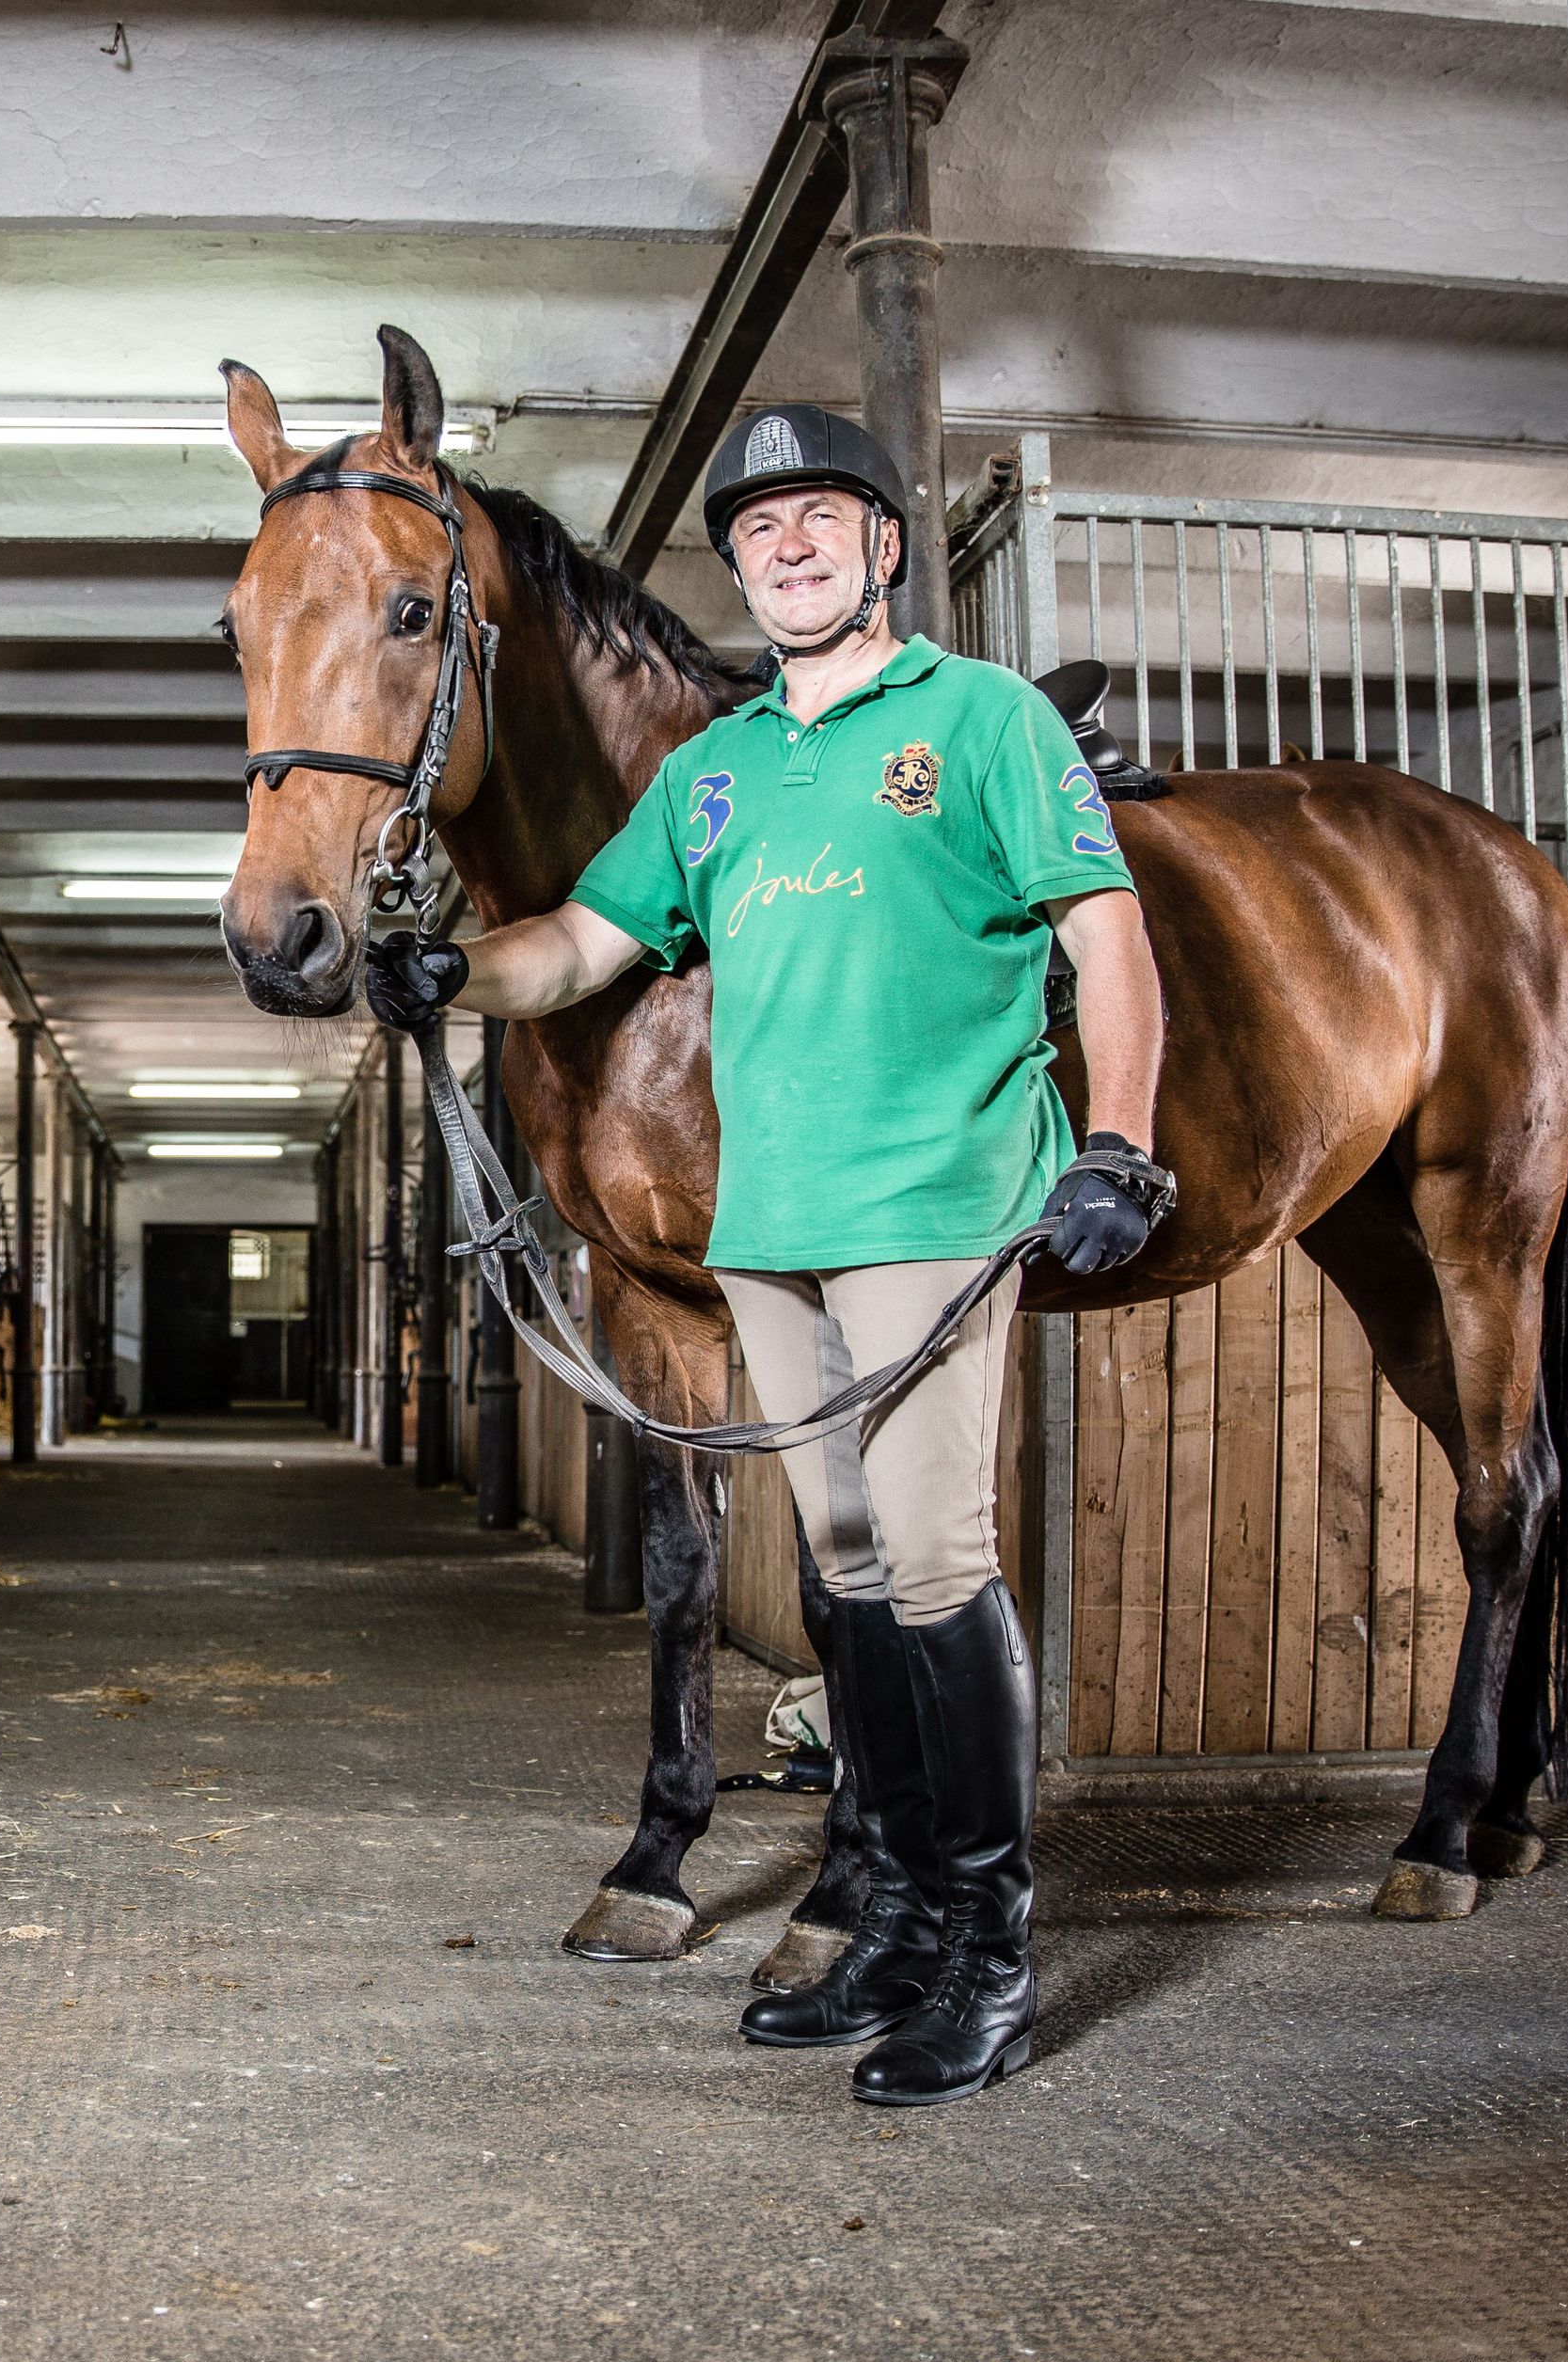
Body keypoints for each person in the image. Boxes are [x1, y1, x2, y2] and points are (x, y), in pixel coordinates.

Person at [361, 404, 1172, 2107]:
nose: (788, 547)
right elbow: (587, 939)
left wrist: (1120, 1144)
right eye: (758, 532)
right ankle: (884, 1910)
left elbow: (1106, 933)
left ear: (882, 545)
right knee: (852, 1576)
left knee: (940, 1569)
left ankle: (988, 1948)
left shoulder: (980, 721)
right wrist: (457, 972)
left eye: (820, 517)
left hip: (938, 1212)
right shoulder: (719, 770)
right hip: (773, 1235)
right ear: (736, 569)